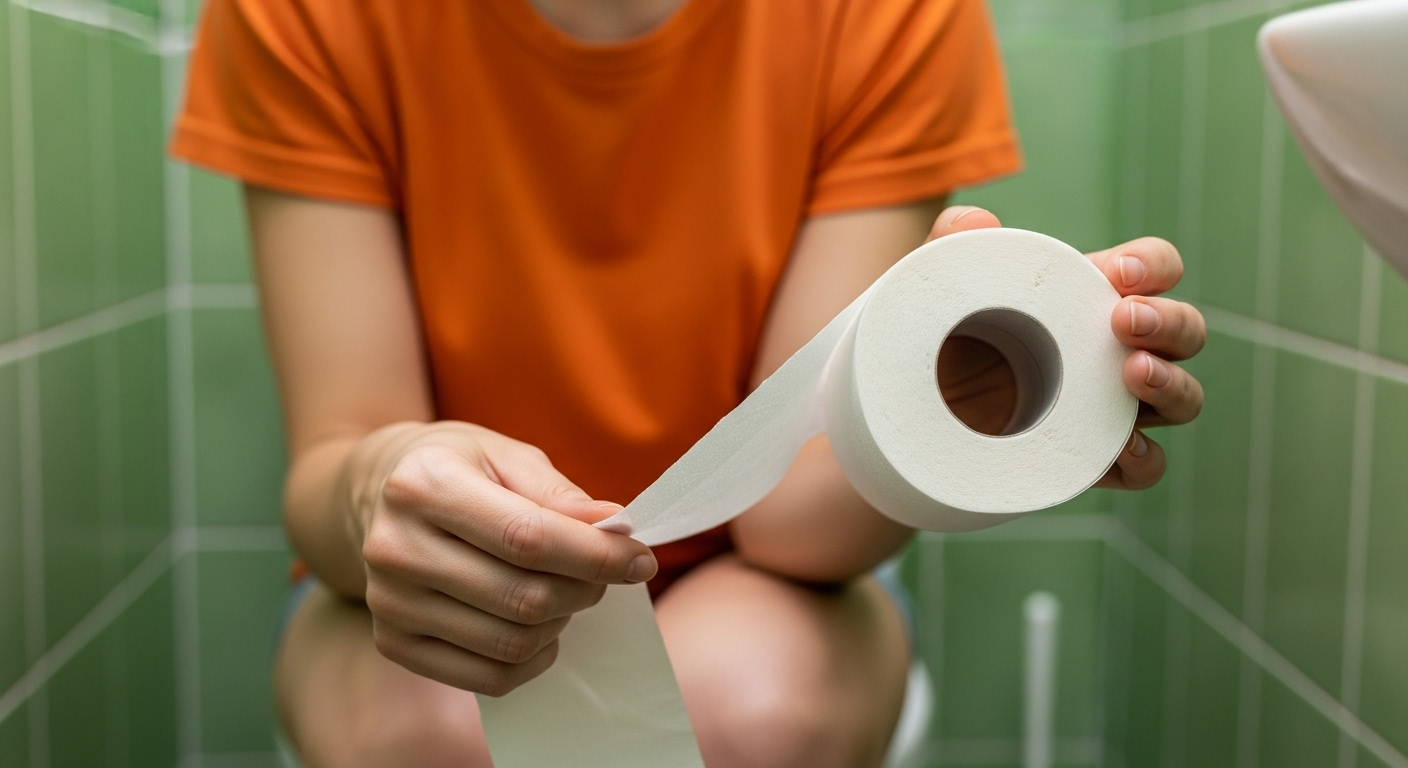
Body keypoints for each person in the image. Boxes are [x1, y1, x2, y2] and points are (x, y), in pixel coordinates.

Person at [171, 0, 1206, 766]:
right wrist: (386, 483)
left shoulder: (889, 16)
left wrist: (944, 411)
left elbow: (798, 525)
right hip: (426, 583)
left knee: (760, 719)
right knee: (433, 737)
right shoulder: (304, 14)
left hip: (758, 572)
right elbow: (340, 450)